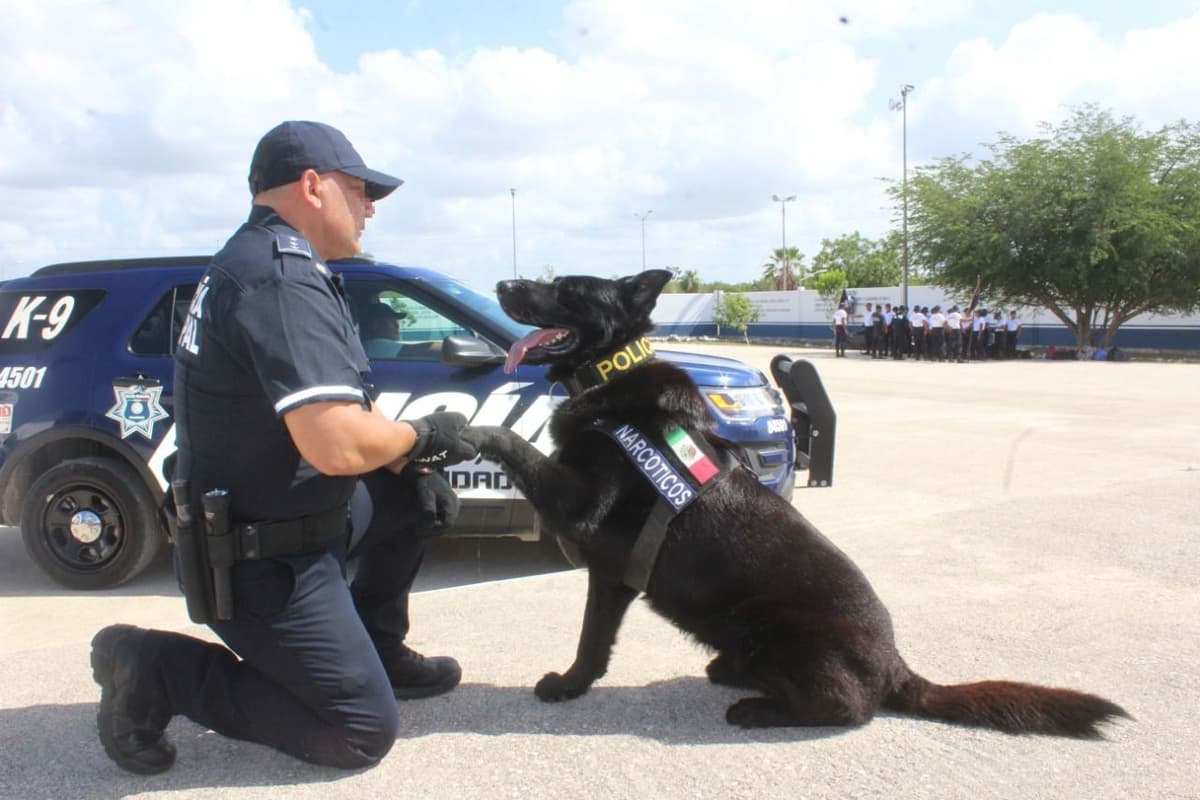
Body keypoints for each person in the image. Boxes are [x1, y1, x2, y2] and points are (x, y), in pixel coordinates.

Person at [89, 121, 480, 774]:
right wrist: (424, 434)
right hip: (260, 559)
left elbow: (348, 408)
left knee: (411, 495)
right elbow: (333, 444)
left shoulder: (274, 262)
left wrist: (407, 462)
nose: (370, 207)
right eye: (358, 189)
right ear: (311, 185)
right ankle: (155, 668)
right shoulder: (278, 278)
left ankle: (374, 649)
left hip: (294, 520)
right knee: (358, 732)